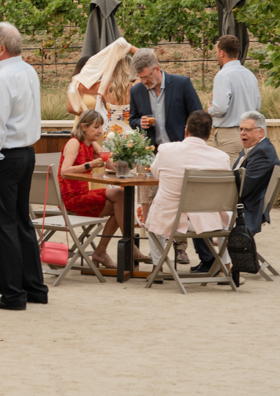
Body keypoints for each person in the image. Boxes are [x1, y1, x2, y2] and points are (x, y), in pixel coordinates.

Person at [0, 22, 48, 311]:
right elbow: (13, 113)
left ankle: (13, 293)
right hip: (25, 153)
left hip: (2, 156)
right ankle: (34, 287)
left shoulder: (2, 79)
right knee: (21, 222)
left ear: (1, 48)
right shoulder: (27, 70)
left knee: (2, 226)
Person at [129, 48, 203, 264]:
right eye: (140, 78)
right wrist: (138, 123)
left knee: (181, 201)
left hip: (181, 153)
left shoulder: (182, 84)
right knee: (152, 202)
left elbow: (197, 115)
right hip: (153, 155)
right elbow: (132, 119)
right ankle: (158, 254)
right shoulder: (136, 91)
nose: (144, 82)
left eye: (146, 77)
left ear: (157, 69)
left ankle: (180, 248)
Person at [57, 111, 148, 269]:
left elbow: (109, 161)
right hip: (72, 198)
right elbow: (65, 171)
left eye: (101, 127)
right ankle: (127, 247)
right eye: (96, 127)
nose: (100, 131)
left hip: (83, 193)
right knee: (120, 199)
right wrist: (89, 165)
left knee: (121, 199)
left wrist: (128, 160)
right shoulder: (74, 143)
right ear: (84, 127)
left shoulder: (91, 143)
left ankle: (103, 251)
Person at [145, 111, 232, 275]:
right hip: (209, 222)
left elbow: (156, 174)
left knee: (155, 216)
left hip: (171, 219)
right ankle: (226, 267)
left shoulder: (165, 150)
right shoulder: (221, 158)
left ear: (186, 130)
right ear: (209, 134)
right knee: (225, 217)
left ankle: (157, 268)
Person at [208, 35, 261, 165]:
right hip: (250, 134)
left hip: (228, 137)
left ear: (222, 53)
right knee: (245, 179)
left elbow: (220, 108)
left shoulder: (222, 75)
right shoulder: (250, 75)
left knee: (229, 179)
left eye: (216, 51)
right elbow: (257, 105)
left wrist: (210, 109)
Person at [232, 111, 280, 234]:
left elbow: (244, 188)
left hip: (246, 207)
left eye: (247, 129)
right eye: (241, 129)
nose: (242, 133)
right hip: (239, 203)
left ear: (261, 132)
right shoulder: (252, 148)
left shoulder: (263, 152)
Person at [68, 37, 136, 116]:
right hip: (132, 127)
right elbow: (151, 58)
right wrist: (129, 47)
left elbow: (76, 86)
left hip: (110, 127)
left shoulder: (105, 85)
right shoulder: (137, 85)